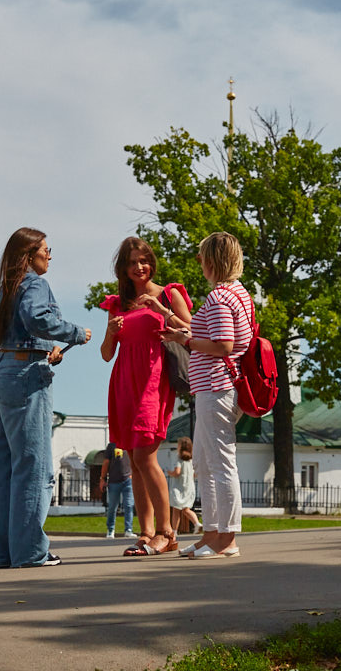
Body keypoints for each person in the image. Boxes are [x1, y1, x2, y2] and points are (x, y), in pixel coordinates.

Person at [0, 228, 91, 569]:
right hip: (24, 377)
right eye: (46, 249)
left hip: (0, 371)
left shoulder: (8, 286)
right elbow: (37, 318)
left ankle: (0, 554)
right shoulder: (35, 284)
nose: (50, 255)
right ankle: (30, 552)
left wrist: (46, 353)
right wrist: (75, 332)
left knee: (1, 470)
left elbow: (13, 332)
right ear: (30, 255)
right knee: (34, 468)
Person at [160, 232, 252, 559]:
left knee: (220, 463)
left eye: (202, 257)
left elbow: (224, 345)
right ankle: (210, 535)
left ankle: (227, 539)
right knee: (204, 462)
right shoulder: (237, 295)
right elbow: (218, 337)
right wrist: (183, 333)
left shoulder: (220, 298)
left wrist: (186, 342)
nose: (199, 263)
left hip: (217, 386)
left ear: (212, 261)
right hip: (216, 387)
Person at [98, 236, 192, 557]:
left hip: (154, 378)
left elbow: (192, 331)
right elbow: (106, 354)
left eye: (144, 260)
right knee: (135, 463)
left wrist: (163, 310)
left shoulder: (169, 293)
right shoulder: (117, 303)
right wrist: (111, 331)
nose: (140, 267)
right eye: (132, 262)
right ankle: (146, 532)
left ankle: (168, 533)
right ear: (123, 268)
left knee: (144, 457)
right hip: (124, 380)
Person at [99, 443, 135, 539]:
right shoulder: (112, 446)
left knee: (129, 505)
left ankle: (128, 530)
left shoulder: (129, 443)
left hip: (127, 480)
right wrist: (102, 479)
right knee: (112, 507)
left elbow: (134, 459)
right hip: (114, 481)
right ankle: (110, 530)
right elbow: (106, 462)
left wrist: (132, 474)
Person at [166, 436, 200, 535]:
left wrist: (170, 473)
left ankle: (174, 531)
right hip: (189, 487)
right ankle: (197, 523)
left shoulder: (178, 457)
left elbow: (177, 472)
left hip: (178, 487)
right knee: (186, 509)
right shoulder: (192, 458)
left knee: (176, 509)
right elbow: (195, 474)